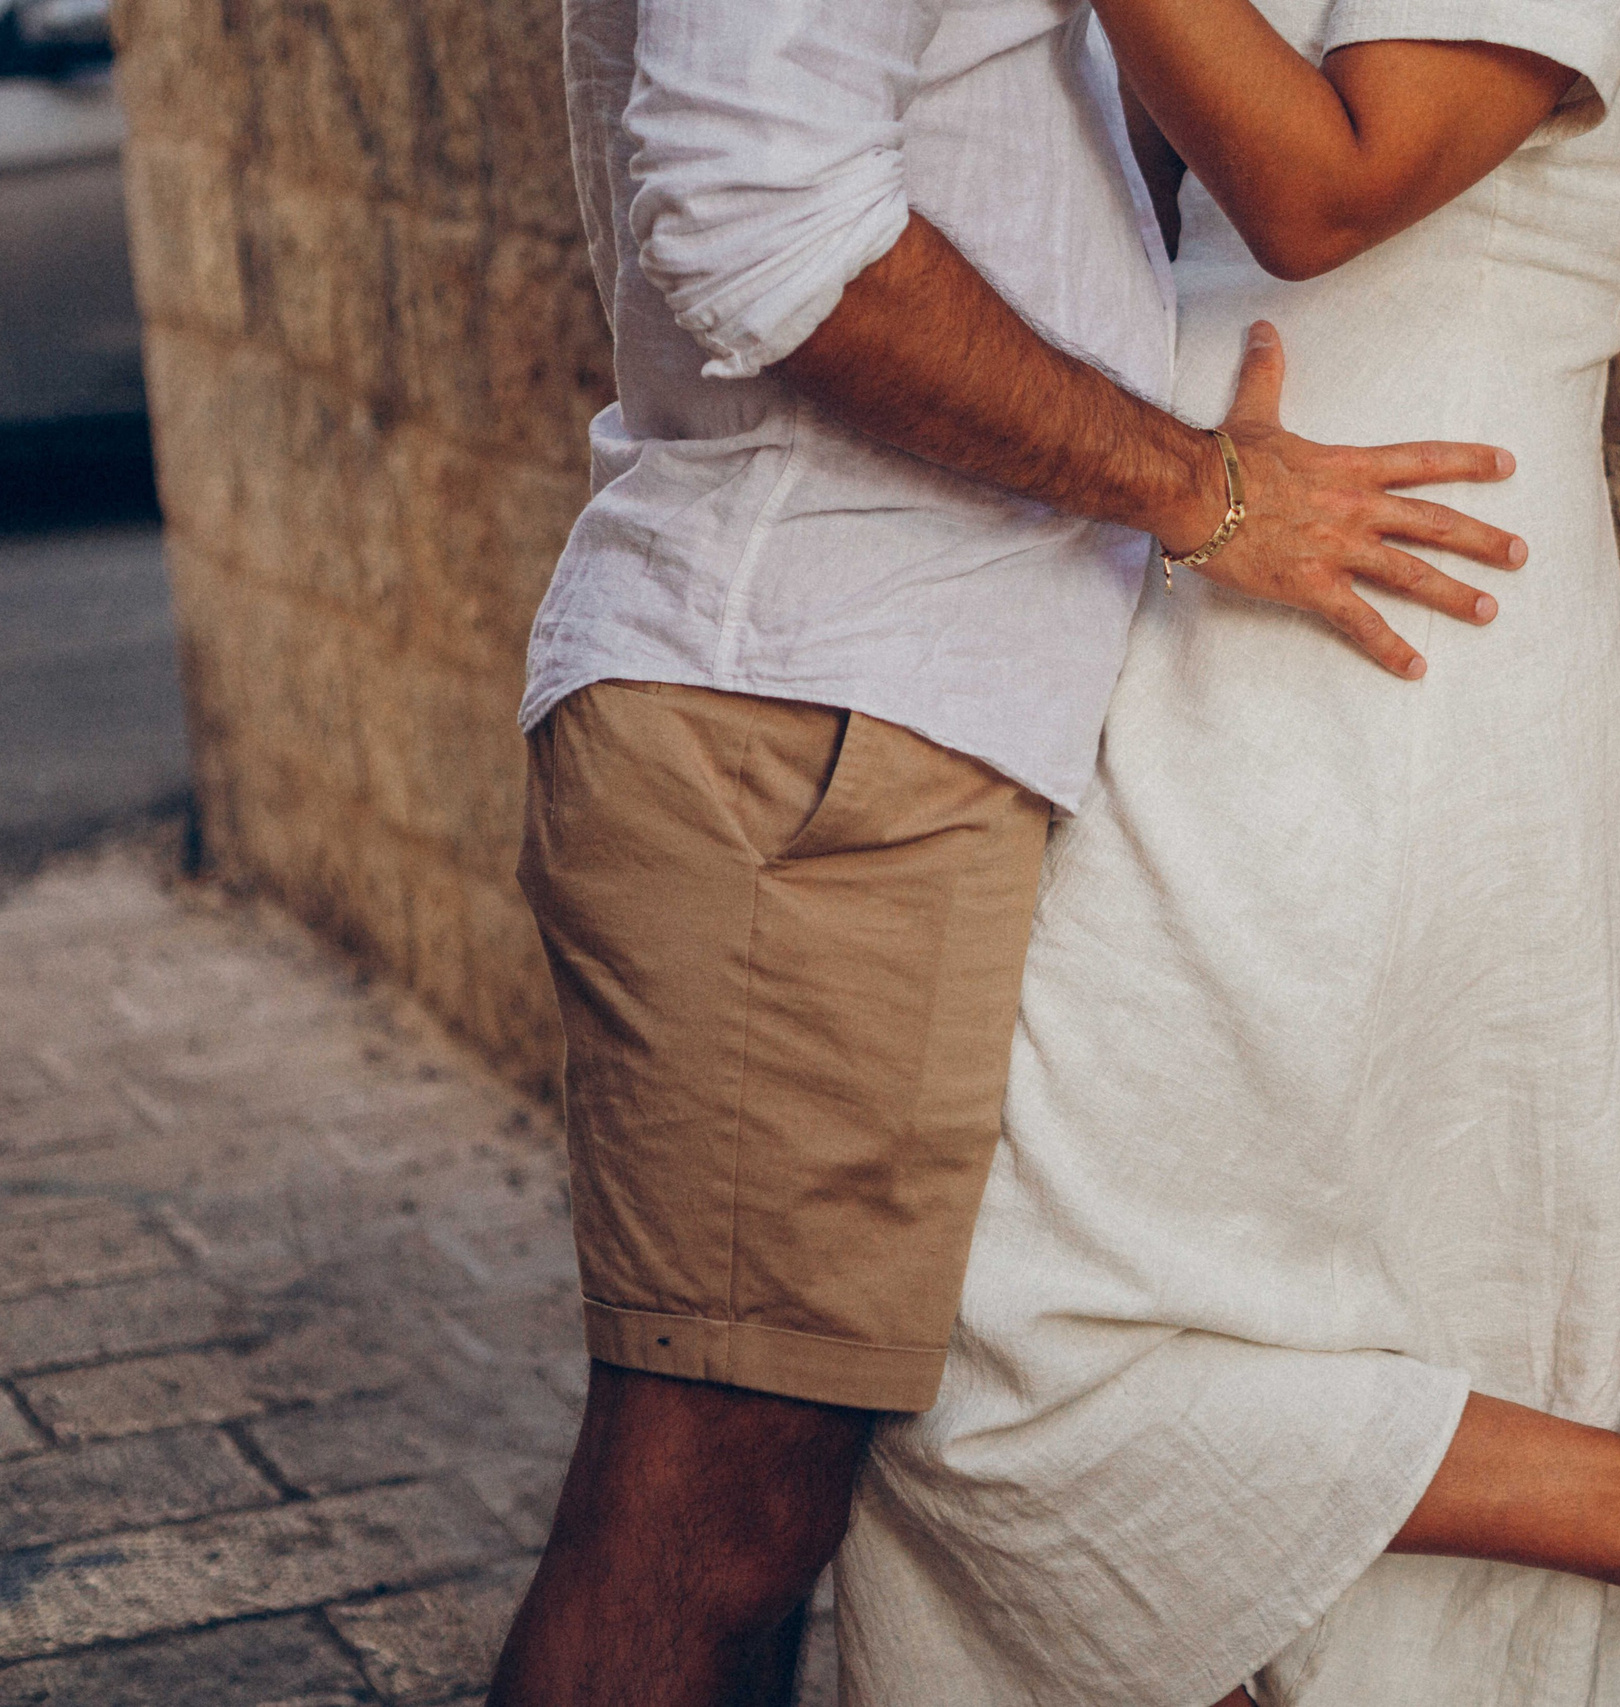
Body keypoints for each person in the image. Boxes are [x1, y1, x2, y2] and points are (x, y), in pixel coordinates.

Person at [834, 0, 1620, 1702]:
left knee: (989, 1334)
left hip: (1390, 639)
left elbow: (1321, 189)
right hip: (1204, 587)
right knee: (960, 1309)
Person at [482, 0, 1540, 1698]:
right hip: (808, 724)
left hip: (857, 723)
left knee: (750, 1522)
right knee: (704, 1528)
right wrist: (1208, 494)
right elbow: (766, 229)